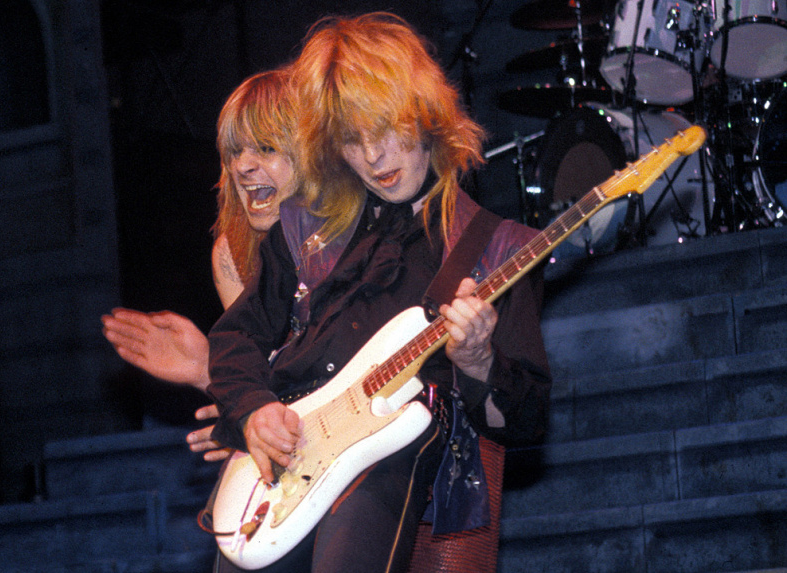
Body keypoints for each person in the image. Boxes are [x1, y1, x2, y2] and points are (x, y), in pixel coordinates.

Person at [205, 12, 552, 573]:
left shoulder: (498, 247)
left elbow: (528, 420)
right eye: (351, 138)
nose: (373, 157)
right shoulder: (305, 227)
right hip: (287, 462)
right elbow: (236, 337)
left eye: (386, 129)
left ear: (427, 117)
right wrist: (254, 410)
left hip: (390, 463)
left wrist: (479, 361)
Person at [100, 67, 299, 460]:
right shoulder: (232, 252)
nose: (243, 166)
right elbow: (268, 380)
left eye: (266, 148)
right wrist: (209, 370)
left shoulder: (350, 235)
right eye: (234, 152)